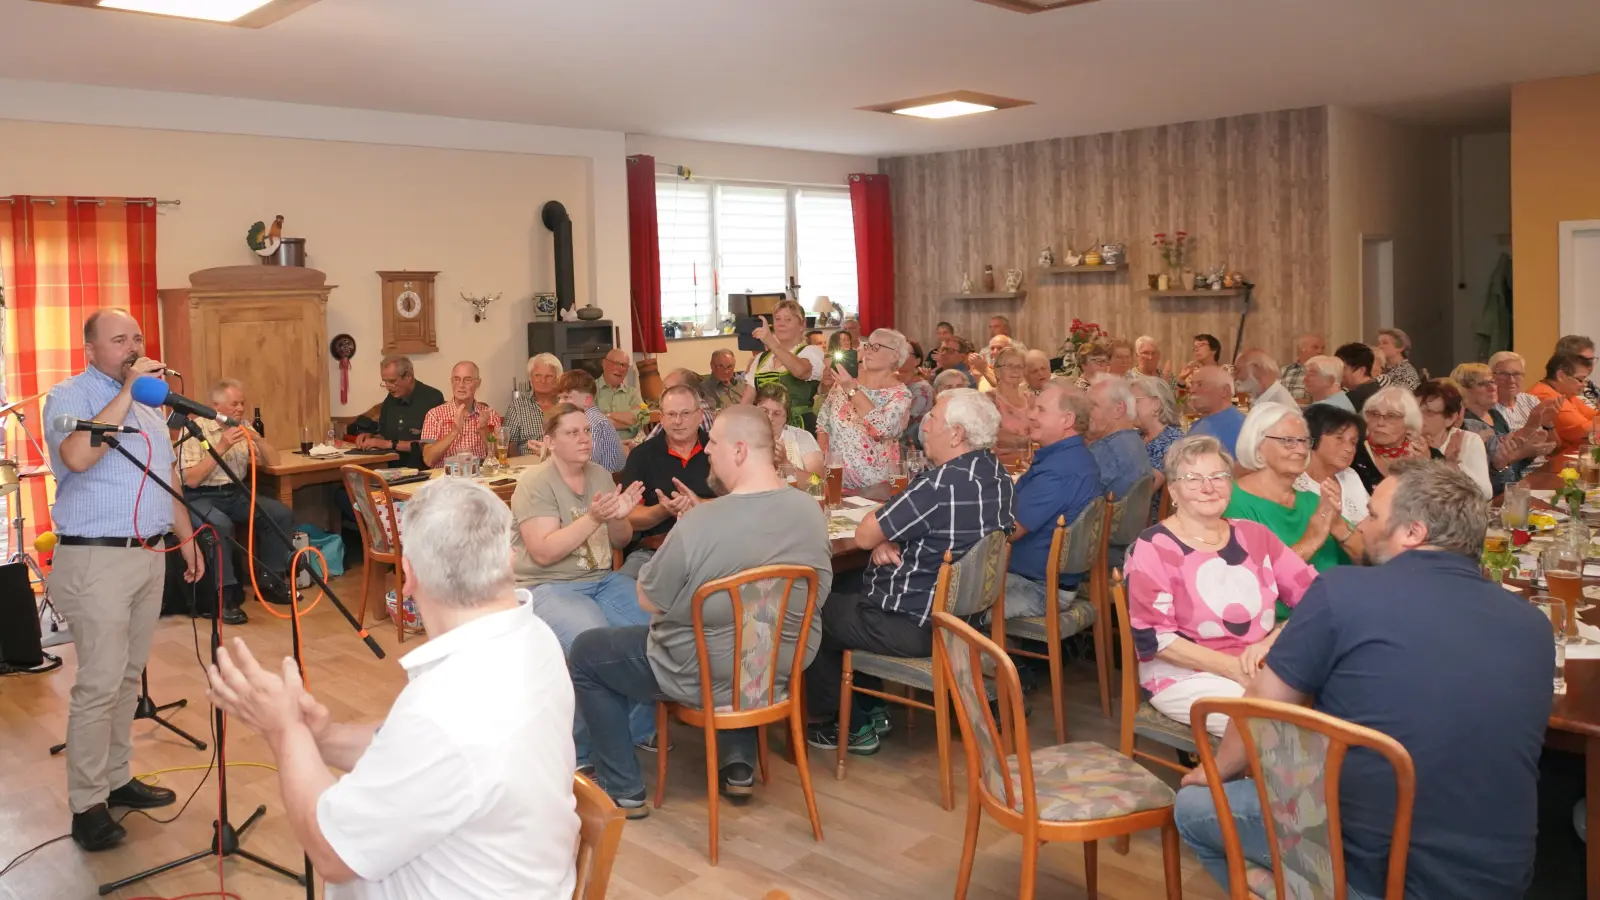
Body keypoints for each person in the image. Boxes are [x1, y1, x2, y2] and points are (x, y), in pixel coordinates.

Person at [1175, 460, 1552, 900]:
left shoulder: (1343, 590)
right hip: (1501, 877)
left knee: (1196, 806)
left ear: (1413, 532)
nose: (1364, 528)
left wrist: (1218, 769)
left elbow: (1263, 707)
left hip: (1376, 872)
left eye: (1373, 516)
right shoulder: (1534, 625)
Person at [205, 477, 581, 898]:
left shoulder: (442, 710)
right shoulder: (535, 636)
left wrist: (284, 731)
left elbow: (332, 855)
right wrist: (324, 738)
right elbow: (415, 755)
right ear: (510, 559)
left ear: (408, 576)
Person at [568, 406, 833, 815]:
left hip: (700, 672)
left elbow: (648, 600)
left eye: (714, 442)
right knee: (738, 635)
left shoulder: (701, 523)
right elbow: (820, 591)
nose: (707, 449)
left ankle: (623, 789)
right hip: (778, 666)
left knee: (587, 652)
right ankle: (737, 764)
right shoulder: (809, 511)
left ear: (740, 451)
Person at [40, 309, 205, 851]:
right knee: (99, 685)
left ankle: (116, 779)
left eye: (136, 337)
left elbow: (167, 473)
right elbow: (78, 456)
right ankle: (87, 806)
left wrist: (185, 537)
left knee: (129, 679)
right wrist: (130, 392)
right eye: (118, 339)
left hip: (148, 554)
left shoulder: (151, 403)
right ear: (90, 349)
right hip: (96, 561)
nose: (132, 345)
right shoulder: (71, 397)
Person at [805, 389, 1015, 753]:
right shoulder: (994, 472)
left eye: (932, 418)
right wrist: (892, 539)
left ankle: (846, 724)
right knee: (853, 582)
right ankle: (873, 705)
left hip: (914, 625)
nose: (924, 426)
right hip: (965, 621)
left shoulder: (940, 484)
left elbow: (865, 532)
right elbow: (934, 531)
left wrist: (882, 538)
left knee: (811, 610)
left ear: (956, 434)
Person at [1124, 435, 1316, 737]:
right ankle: (1231, 781)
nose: (1208, 487)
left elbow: (1316, 598)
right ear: (1173, 490)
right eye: (1193, 479)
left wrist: (1270, 642)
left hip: (1263, 662)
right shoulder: (1153, 547)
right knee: (1268, 724)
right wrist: (1234, 669)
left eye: (1218, 476)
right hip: (1186, 674)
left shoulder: (1255, 535)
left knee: (1338, 699)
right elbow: (1156, 638)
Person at [512, 404, 653, 763]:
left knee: (659, 630)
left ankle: (630, 732)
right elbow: (543, 552)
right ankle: (583, 751)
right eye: (572, 433)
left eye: (586, 431)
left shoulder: (601, 475)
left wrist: (622, 518)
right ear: (550, 441)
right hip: (548, 586)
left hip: (602, 580)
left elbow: (619, 540)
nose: (583, 438)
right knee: (595, 644)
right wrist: (593, 518)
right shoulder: (535, 482)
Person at [178, 378, 295, 623]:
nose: (240, 409)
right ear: (216, 406)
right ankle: (227, 594)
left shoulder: (243, 427)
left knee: (279, 514)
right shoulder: (193, 429)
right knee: (220, 525)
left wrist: (258, 439)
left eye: (242, 403)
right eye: (234, 404)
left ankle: (270, 582)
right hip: (201, 496)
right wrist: (220, 447)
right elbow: (190, 480)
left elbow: (274, 462)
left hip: (235, 492)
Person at [1227, 404, 1357, 600]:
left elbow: (1369, 560)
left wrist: (1339, 526)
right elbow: (1252, 583)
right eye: (1288, 441)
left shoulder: (1314, 501)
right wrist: (1311, 539)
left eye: (1304, 441)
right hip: (1279, 624)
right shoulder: (1233, 502)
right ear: (1257, 445)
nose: (1301, 450)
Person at [1004, 382, 1100, 625]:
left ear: (1067, 420)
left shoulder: (1060, 469)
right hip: (1040, 580)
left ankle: (990, 662)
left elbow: (1009, 530)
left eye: (1041, 410)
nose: (1031, 414)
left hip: (1037, 589)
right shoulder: (1068, 458)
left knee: (946, 602)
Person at [616, 384, 716, 578]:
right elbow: (628, 517)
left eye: (685, 413)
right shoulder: (642, 455)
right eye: (671, 414)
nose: (678, 421)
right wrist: (663, 510)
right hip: (654, 551)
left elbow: (740, 501)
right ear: (661, 417)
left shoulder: (718, 450)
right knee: (622, 586)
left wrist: (698, 504)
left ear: (700, 415)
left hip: (711, 548)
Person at [817, 329, 913, 490]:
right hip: (835, 479)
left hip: (875, 485)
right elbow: (823, 421)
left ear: (894, 356)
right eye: (868, 346)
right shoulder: (846, 380)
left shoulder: (900, 395)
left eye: (877, 347)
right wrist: (822, 464)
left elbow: (881, 429)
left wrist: (852, 390)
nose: (868, 351)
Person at [1454, 361, 1553, 494]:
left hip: (1514, 485)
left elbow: (1511, 467)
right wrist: (1523, 452)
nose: (1493, 388)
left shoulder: (1495, 414)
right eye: (1483, 384)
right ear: (1464, 390)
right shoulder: (1465, 424)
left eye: (1492, 382)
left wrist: (1530, 452)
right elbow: (1488, 474)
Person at [350, 354, 445, 468]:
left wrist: (386, 444)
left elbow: (430, 446)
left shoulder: (432, 398)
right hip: (390, 467)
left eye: (392, 381)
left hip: (420, 468)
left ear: (408, 376)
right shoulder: (391, 399)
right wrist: (369, 436)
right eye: (385, 381)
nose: (388, 387)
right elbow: (384, 433)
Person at [744, 299, 826, 429]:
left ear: (802, 325)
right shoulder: (761, 359)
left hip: (799, 427)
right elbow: (747, 402)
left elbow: (801, 371)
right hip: (766, 427)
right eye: (777, 319)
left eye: (788, 319)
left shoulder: (811, 352)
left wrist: (771, 342)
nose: (781, 324)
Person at [1295, 404, 1371, 527]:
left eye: (1353, 442)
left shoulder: (1350, 476)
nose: (1350, 449)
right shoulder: (1294, 482)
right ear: (1311, 437)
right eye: (1339, 438)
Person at [1351, 385, 1437, 493]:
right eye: (1374, 414)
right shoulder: (1353, 453)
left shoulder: (1429, 456)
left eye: (1391, 416)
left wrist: (1425, 466)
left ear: (1409, 423)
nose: (1380, 423)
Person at [1416, 379, 1492, 498]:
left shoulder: (1468, 441)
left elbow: (1485, 494)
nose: (1418, 418)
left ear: (1450, 418)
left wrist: (1453, 467)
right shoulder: (1403, 440)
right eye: (1415, 411)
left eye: (1429, 412)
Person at [420, 361, 504, 467]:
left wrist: (484, 430)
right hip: (447, 478)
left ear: (478, 383)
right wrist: (454, 431)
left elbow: (498, 457)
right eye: (456, 379)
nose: (461, 385)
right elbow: (428, 459)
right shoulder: (434, 415)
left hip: (480, 477)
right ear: (451, 382)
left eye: (467, 380)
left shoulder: (490, 415)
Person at [1086, 374, 1154, 501]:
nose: (1085, 412)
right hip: (1133, 520)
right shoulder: (1135, 440)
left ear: (1118, 409)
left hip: (1105, 520)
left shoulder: (1106, 449)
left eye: (1093, 405)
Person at [1129, 374, 1183, 517]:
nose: (1129, 407)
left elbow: (1142, 491)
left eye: (1134, 401)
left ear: (1156, 404)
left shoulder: (1172, 442)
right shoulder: (1138, 436)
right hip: (1132, 517)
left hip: (1147, 524)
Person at [555, 370, 626, 473]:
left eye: (566, 397)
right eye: (559, 398)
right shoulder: (592, 419)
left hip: (607, 482)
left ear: (587, 400)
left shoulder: (593, 422)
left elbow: (587, 461)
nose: (561, 403)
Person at [1528, 351, 1598, 451]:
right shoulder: (1545, 396)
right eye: (1580, 380)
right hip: (1553, 462)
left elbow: (1594, 417)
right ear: (1560, 376)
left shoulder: (1567, 393)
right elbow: (1585, 432)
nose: (1584, 385)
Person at [756, 383, 825, 479]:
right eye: (764, 411)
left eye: (776, 413)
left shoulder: (802, 438)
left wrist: (785, 464)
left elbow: (818, 483)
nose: (769, 417)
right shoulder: (741, 439)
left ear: (786, 418)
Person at [502, 353, 563, 454]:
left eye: (549, 376)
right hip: (528, 466)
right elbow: (509, 444)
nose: (542, 380)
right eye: (538, 375)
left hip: (561, 464)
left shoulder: (565, 404)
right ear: (530, 378)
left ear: (557, 379)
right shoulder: (517, 406)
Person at [1185, 366, 1246, 456]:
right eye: (1192, 384)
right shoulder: (1199, 424)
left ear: (1224, 391)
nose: (1192, 390)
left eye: (1200, 384)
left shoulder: (1242, 428)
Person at [984, 346, 1033, 449]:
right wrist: (1031, 441)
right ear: (997, 371)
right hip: (1003, 460)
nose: (1015, 371)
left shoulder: (1031, 399)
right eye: (1010, 366)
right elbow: (993, 434)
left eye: (1020, 366)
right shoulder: (989, 400)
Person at [595, 348, 645, 442]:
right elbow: (590, 421)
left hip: (631, 446)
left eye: (625, 366)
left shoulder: (633, 393)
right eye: (617, 363)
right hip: (601, 447)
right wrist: (630, 421)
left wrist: (607, 415)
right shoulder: (590, 389)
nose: (621, 369)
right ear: (604, 364)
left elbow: (644, 415)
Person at [1489, 350, 1542, 429]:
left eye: (1516, 374)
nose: (1511, 380)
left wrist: (1549, 424)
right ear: (1491, 376)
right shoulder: (1486, 407)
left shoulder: (1532, 401)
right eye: (1504, 374)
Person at [898, 340, 935, 441]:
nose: (899, 356)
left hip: (910, 444)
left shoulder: (921, 388)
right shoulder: (890, 383)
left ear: (917, 361)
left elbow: (907, 420)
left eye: (905, 352)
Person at [1334, 342, 1381, 412]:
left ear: (1361, 370)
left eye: (1343, 368)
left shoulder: (1354, 398)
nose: (1338, 372)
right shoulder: (1378, 389)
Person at [1278, 333, 1325, 403]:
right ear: (1302, 349)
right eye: (1315, 347)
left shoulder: (1327, 372)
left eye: (1323, 348)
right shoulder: (1284, 371)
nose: (1320, 351)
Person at [1555, 333, 1600, 406]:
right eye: (1585, 360)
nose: (1590, 364)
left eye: (1592, 359)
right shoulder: (1566, 388)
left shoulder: (1591, 385)